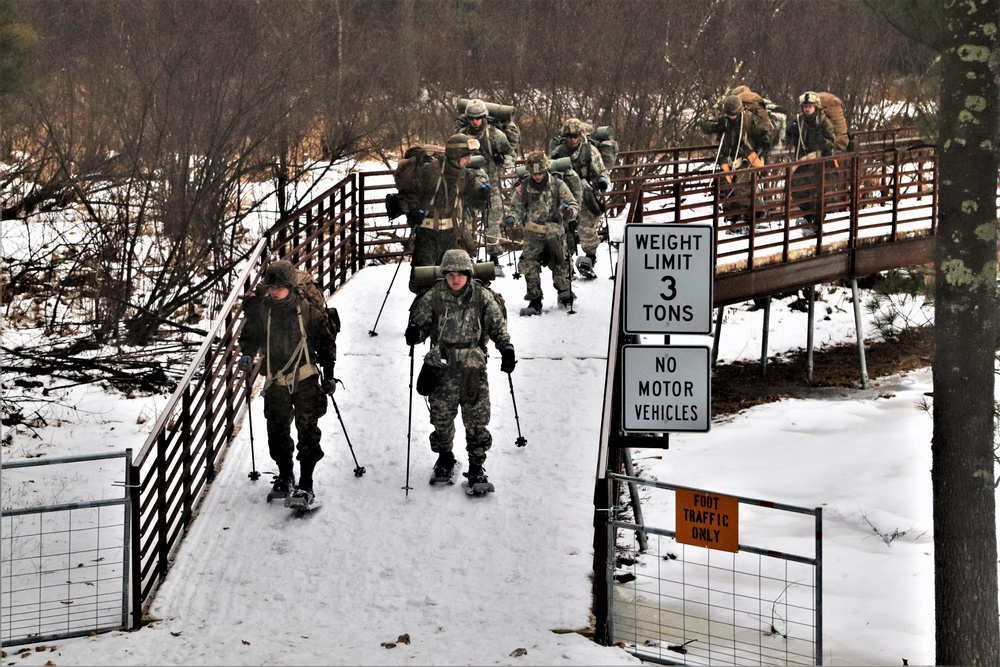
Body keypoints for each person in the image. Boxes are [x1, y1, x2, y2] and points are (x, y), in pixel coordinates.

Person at [405, 248, 516, 493]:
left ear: (468, 273)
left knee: (476, 420)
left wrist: (507, 350)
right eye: (451, 274)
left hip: (472, 368)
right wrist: (414, 332)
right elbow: (420, 324)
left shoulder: (481, 296)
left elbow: (498, 326)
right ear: (444, 274)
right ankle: (445, 457)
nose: (456, 279)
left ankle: (477, 466)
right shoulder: (434, 296)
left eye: (461, 274)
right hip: (441, 368)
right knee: (442, 419)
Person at [237, 259, 338, 508]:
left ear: (290, 287)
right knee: (277, 430)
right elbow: (250, 336)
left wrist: (329, 375)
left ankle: (306, 483)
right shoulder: (263, 310)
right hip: (276, 379)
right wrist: (247, 354)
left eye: (279, 286)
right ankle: (285, 475)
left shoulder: (307, 311)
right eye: (271, 286)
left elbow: (326, 344)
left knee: (308, 432)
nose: (274, 291)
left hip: (305, 378)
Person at [397, 133, 491, 295]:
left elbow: (474, 202)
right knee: (425, 280)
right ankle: (424, 315)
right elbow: (412, 192)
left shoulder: (465, 175)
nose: (469, 161)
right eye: (466, 157)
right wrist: (414, 211)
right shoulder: (430, 170)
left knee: (456, 277)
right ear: (455, 156)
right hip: (427, 234)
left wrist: (482, 196)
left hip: (452, 235)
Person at [505, 151, 579, 315]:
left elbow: (572, 203)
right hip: (532, 233)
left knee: (560, 262)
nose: (537, 176)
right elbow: (515, 209)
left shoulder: (558, 184)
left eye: (540, 173)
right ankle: (535, 299)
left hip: (554, 231)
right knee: (529, 264)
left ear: (546, 170)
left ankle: (564, 292)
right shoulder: (523, 188)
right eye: (534, 173)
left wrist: (570, 212)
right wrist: (511, 218)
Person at [455, 98, 516, 275]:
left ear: (484, 117)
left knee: (493, 219)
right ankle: (467, 256)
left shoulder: (495, 135)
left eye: (478, 118)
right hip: (468, 184)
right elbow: (452, 156)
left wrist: (502, 159)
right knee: (465, 220)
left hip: (491, 183)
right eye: (472, 118)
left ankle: (494, 256)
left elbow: (510, 154)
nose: (475, 122)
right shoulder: (461, 135)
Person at [549, 118, 609, 280]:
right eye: (569, 136)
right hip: (565, 196)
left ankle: (589, 260)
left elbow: (602, 171)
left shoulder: (589, 150)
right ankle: (566, 266)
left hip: (586, 194)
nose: (572, 139)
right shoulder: (558, 152)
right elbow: (548, 171)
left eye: (575, 136)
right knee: (564, 231)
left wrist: (602, 181)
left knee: (587, 229)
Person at [701, 94, 772, 229]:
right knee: (727, 188)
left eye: (733, 114)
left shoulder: (749, 119)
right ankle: (733, 217)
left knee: (742, 187)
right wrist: (715, 126)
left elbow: (766, 131)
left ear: (739, 111)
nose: (731, 117)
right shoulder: (725, 121)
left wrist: (766, 140)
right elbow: (705, 126)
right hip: (728, 159)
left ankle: (757, 213)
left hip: (746, 157)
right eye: (728, 114)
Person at [785, 91, 838, 234]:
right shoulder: (799, 120)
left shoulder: (823, 121)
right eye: (805, 106)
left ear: (816, 107)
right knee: (798, 190)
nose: (807, 109)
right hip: (803, 162)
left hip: (819, 162)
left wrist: (822, 142)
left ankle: (817, 222)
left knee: (818, 192)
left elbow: (832, 141)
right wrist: (790, 132)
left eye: (810, 106)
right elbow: (789, 140)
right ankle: (808, 217)